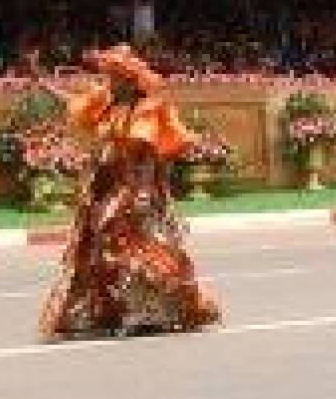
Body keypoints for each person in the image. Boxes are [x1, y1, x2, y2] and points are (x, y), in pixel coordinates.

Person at [37, 46, 221, 340]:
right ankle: (114, 310)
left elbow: (145, 155)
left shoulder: (146, 109)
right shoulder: (109, 105)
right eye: (107, 77)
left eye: (113, 77)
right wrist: (47, 85)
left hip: (136, 188)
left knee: (138, 249)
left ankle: (148, 312)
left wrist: (140, 193)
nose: (107, 82)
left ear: (128, 80)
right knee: (103, 248)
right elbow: (77, 103)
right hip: (107, 184)